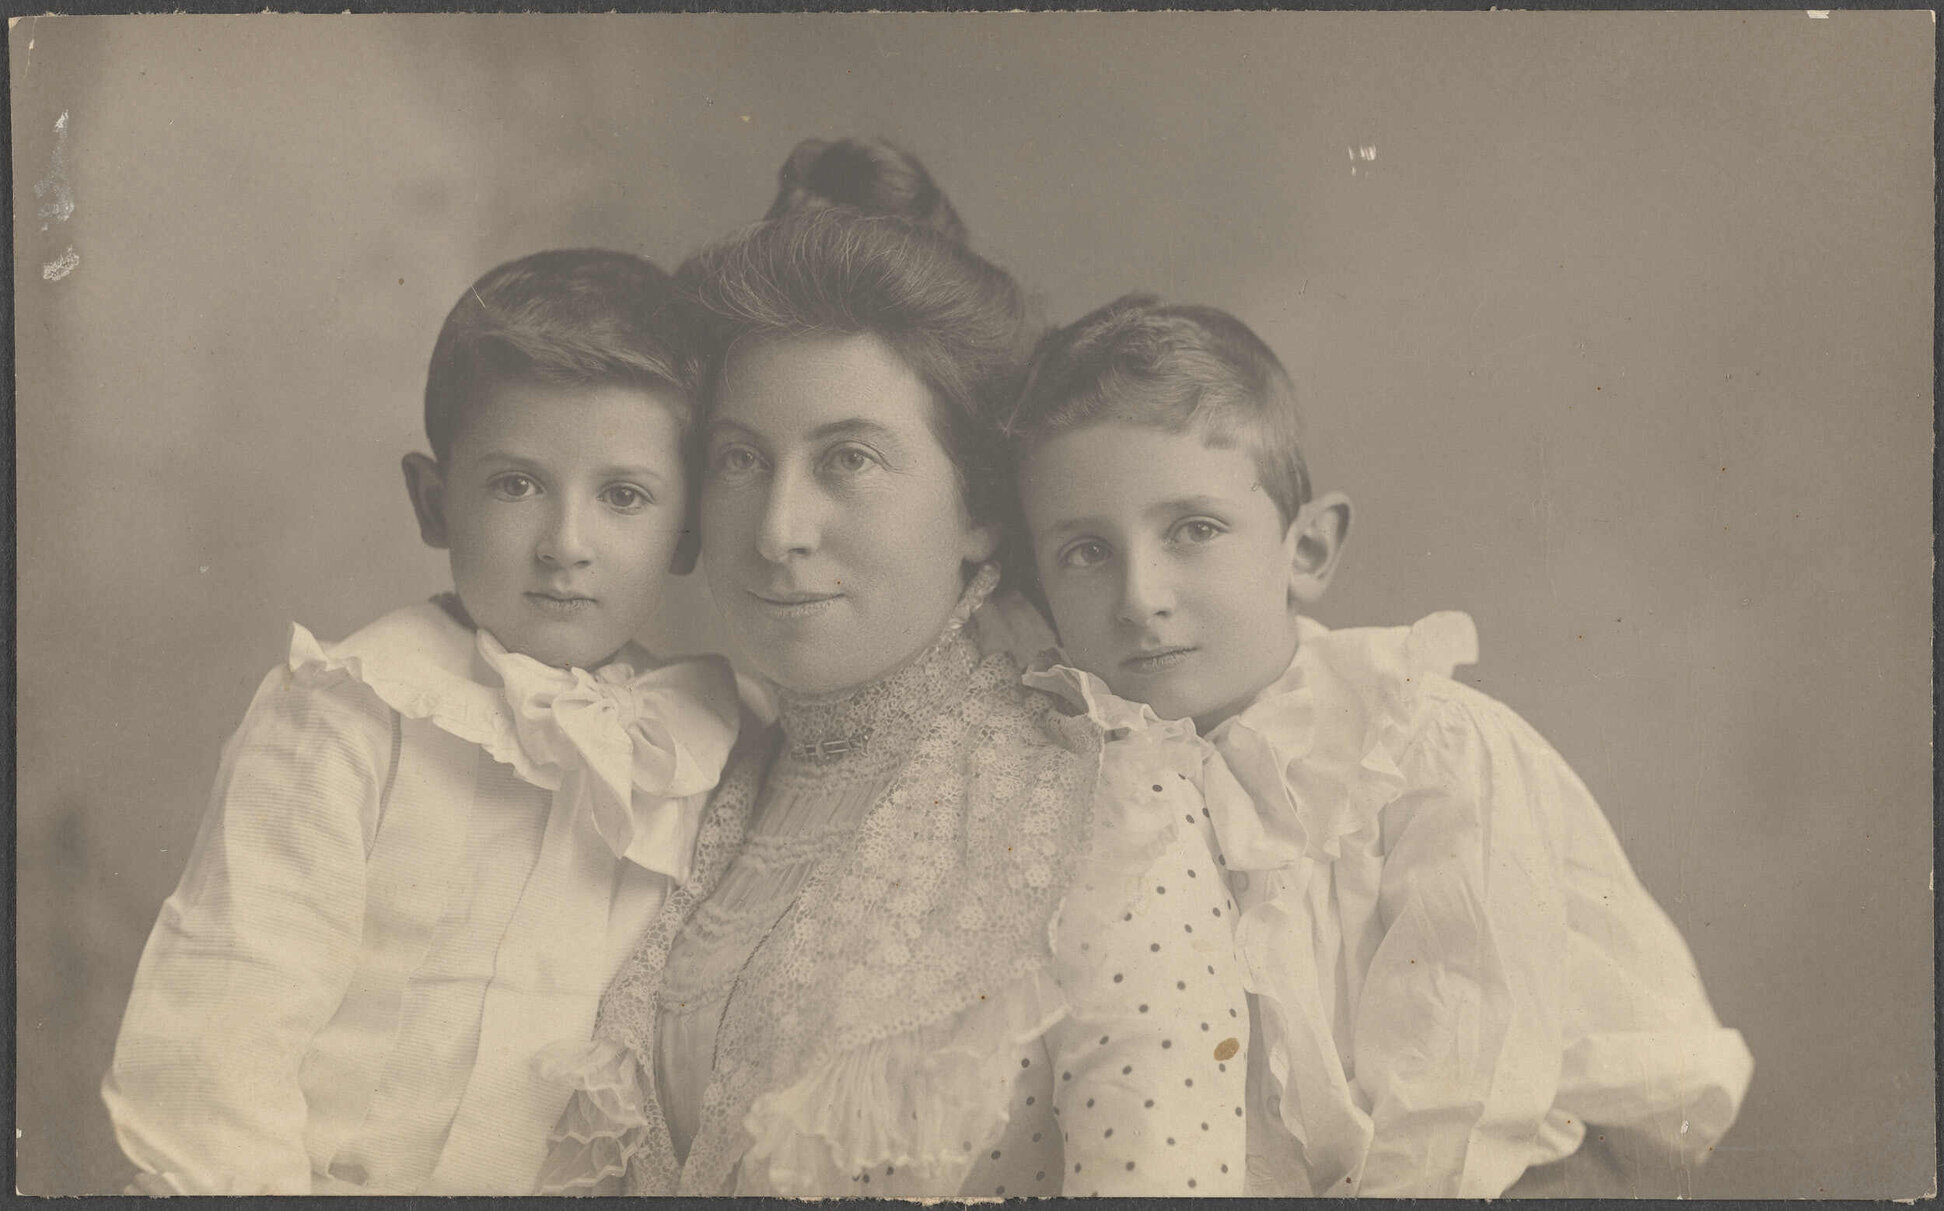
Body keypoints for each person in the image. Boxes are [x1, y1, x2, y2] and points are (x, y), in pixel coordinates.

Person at [537, 141, 1251, 1197]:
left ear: (977, 509)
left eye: (849, 460)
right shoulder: (688, 774)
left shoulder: (1103, 795)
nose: (777, 528)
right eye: (741, 458)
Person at [1003, 294, 1755, 1197]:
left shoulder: (1421, 750)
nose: (1142, 596)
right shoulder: (1069, 782)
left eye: (1193, 531)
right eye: (1086, 551)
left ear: (1308, 548)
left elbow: (1463, 1078)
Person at [100, 250, 744, 1195]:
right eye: (516, 484)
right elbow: (219, 1039)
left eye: (624, 496)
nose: (567, 543)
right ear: (434, 501)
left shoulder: (692, 743)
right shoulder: (349, 714)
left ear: (687, 533)